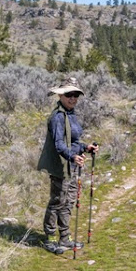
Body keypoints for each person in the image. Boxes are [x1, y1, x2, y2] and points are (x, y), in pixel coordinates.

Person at [36, 77, 99, 254]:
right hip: (61, 166)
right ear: (61, 96)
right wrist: (72, 156)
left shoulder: (70, 114)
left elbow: (73, 141)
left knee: (69, 201)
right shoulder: (58, 117)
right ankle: (50, 238)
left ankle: (65, 237)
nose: (73, 98)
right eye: (69, 94)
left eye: (76, 95)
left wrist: (85, 148)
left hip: (72, 164)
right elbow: (59, 144)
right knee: (57, 201)